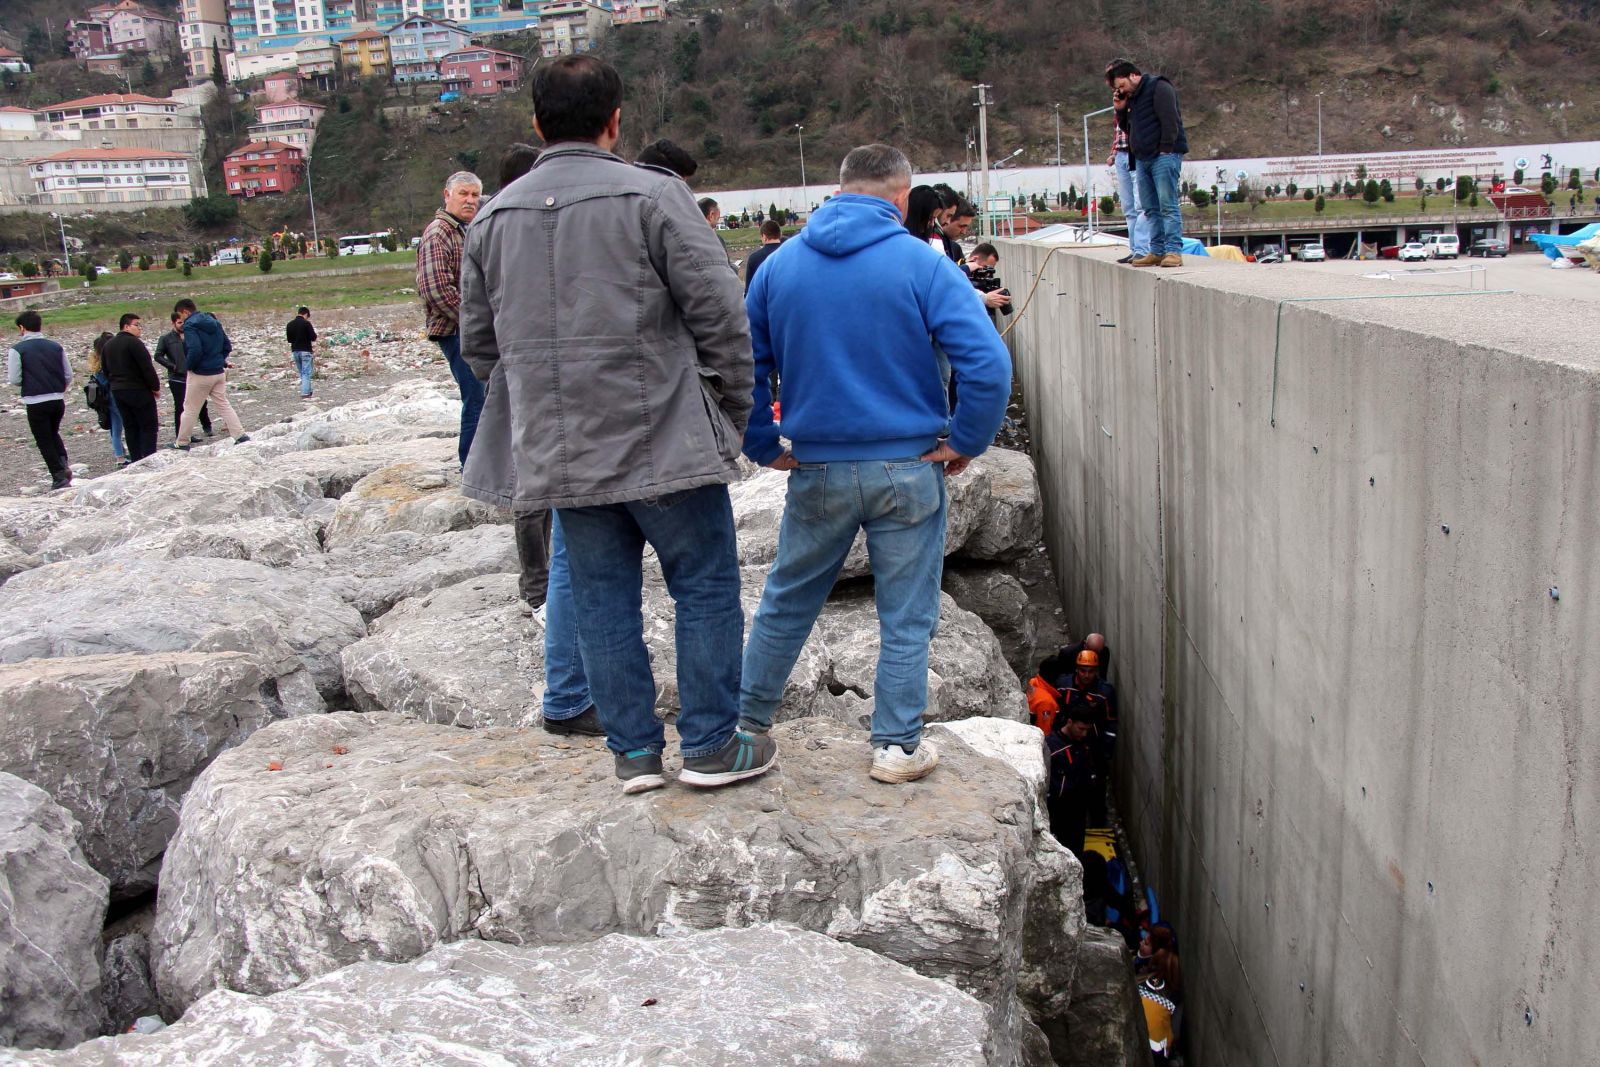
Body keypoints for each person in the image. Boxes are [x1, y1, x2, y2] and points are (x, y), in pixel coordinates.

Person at [458, 54, 768, 794]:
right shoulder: (655, 196)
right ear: (616, 119)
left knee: (599, 596)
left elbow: (479, 346)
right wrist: (727, 411)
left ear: (536, 123)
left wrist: (539, 403)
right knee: (703, 586)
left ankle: (633, 754)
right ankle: (711, 747)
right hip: (664, 437)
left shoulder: (492, 218)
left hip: (563, 452)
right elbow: (722, 317)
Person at [738, 143, 1012, 785]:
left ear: (838, 190)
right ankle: (895, 746)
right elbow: (988, 364)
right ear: (899, 197)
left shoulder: (779, 267)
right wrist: (966, 440)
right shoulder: (924, 263)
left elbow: (742, 365)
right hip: (908, 466)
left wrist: (762, 444)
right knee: (907, 613)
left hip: (817, 469)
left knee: (787, 599)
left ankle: (745, 727)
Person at [418, 170, 486, 467]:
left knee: (483, 396)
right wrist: (474, 320)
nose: (470, 200)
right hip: (456, 329)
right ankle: (472, 466)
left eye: (474, 195)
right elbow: (435, 288)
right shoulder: (439, 231)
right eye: (463, 194)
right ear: (447, 196)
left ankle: (481, 464)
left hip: (468, 327)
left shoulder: (465, 229)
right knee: (477, 397)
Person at [1107, 58, 1188, 268]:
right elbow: (1128, 129)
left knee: (1167, 205)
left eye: (1122, 85)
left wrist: (1166, 148)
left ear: (1133, 75)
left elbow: (1170, 120)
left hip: (1163, 156)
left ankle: (1173, 251)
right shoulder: (1132, 99)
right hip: (1142, 158)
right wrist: (1121, 110)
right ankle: (1157, 250)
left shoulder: (1159, 87)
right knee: (1150, 208)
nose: (1122, 90)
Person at [7, 311, 73, 489]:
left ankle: (59, 476)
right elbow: (68, 374)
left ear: (22, 328)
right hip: (57, 398)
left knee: (43, 439)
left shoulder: (17, 349)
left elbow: (14, 379)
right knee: (53, 433)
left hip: (35, 400)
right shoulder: (56, 346)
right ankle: (63, 464)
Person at [173, 299, 248, 447]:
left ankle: (182, 442)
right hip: (218, 371)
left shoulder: (190, 325)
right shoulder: (214, 321)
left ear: (185, 312)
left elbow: (195, 349)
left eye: (180, 315)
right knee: (223, 404)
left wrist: (189, 366)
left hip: (200, 373)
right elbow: (227, 345)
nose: (180, 319)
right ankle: (239, 435)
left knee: (190, 408)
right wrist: (219, 360)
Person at [100, 312, 162, 462]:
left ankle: (135, 459)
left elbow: (105, 369)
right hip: (137, 389)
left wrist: (114, 384)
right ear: (126, 326)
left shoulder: (108, 345)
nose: (139, 328)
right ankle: (149, 458)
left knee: (130, 426)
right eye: (136, 325)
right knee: (148, 425)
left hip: (118, 391)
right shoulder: (134, 343)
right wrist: (155, 387)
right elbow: (146, 367)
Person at [1044, 707, 1098, 857]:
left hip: (1079, 807)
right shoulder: (1051, 747)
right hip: (1058, 809)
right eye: (1080, 729)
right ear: (1070, 722)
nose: (1084, 733)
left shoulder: (1085, 743)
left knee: (1076, 849)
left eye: (1087, 730)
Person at [1108, 87, 1151, 265]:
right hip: (1121, 155)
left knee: (1140, 204)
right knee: (1129, 208)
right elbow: (1118, 133)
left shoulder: (1138, 106)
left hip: (1135, 155)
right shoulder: (1119, 110)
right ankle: (1134, 249)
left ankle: (1143, 249)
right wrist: (1113, 153)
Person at [154, 312, 211, 442]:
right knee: (180, 406)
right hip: (176, 377)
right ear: (173, 323)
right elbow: (158, 355)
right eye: (180, 323)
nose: (183, 325)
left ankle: (204, 427)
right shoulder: (166, 338)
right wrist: (172, 366)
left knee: (200, 403)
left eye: (184, 322)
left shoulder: (192, 334)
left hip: (194, 374)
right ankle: (182, 435)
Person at [88, 332, 127, 468]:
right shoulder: (110, 362)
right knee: (127, 424)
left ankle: (120, 456)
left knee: (115, 429)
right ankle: (130, 453)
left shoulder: (96, 366)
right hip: (115, 396)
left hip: (106, 400)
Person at [967, 242, 1013, 318]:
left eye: (990, 269)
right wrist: (984, 299)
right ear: (974, 259)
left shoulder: (985, 282)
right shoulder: (957, 273)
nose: (987, 274)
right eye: (984, 268)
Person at [743, 219, 783, 291]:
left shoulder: (754, 258)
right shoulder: (790, 253)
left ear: (764, 237)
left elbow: (749, 290)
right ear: (780, 234)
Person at [285, 306, 316, 399]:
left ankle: (309, 391)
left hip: (295, 351)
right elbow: (313, 337)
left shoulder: (289, 324)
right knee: (306, 372)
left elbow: (289, 339)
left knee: (302, 372)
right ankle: (305, 393)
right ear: (306, 314)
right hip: (306, 350)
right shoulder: (306, 323)